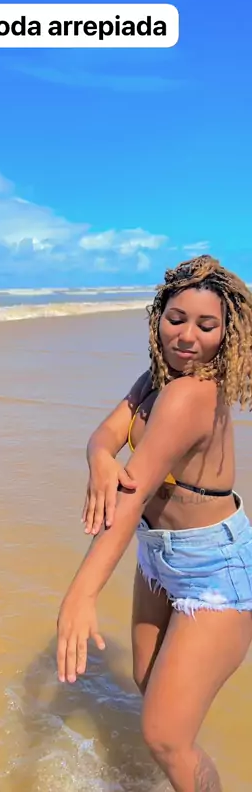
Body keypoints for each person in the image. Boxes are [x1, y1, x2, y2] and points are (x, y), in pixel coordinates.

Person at [57, 255, 252, 792]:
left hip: (212, 569)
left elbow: (132, 494)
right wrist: (100, 457)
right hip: (158, 554)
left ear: (227, 334)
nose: (187, 336)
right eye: (176, 319)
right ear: (157, 318)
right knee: (149, 686)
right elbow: (105, 434)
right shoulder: (157, 380)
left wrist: (81, 594)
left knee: (166, 737)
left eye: (206, 326)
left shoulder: (190, 393)